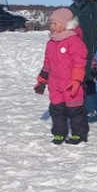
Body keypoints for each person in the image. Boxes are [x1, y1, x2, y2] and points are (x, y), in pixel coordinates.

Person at [34, 8, 89, 145]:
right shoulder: (51, 43)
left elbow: (79, 62)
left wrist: (77, 80)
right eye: (51, 23)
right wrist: (42, 81)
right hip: (55, 84)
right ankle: (59, 133)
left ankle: (79, 133)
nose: (52, 26)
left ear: (65, 24)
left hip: (70, 84)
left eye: (56, 23)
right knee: (56, 110)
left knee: (75, 109)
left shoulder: (74, 41)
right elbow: (47, 64)